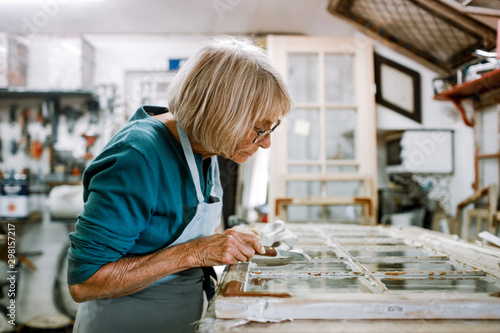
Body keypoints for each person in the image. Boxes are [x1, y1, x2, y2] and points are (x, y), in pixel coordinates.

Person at [67, 35, 292, 333]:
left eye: (271, 128)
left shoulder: (206, 147)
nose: (266, 144)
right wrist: (195, 252)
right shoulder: (137, 157)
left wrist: (226, 242)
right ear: (220, 116)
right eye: (260, 130)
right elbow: (84, 283)